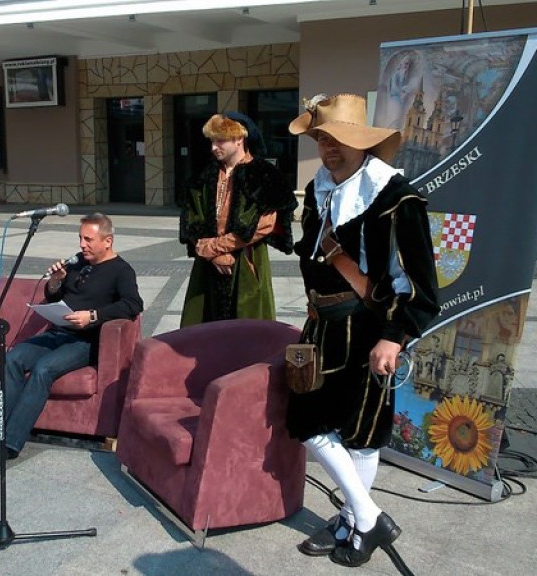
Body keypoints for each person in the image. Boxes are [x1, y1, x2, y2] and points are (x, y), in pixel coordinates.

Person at [286, 93, 439, 567]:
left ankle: (354, 523)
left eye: (337, 139)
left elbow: (421, 283)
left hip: (369, 329)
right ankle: (366, 515)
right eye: (321, 138)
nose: (327, 147)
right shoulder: (319, 186)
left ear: (360, 141)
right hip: (321, 325)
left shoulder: (396, 196)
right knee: (310, 424)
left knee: (360, 434)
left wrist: (394, 337)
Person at [0, 213, 143, 473]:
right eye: (80, 238)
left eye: (88, 239)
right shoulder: (77, 264)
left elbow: (133, 304)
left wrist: (92, 316)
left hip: (85, 340)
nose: (82, 245)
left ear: (107, 241)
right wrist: (55, 283)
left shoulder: (121, 271)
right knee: (11, 360)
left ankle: (7, 445)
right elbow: (55, 294)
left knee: (44, 369)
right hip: (57, 332)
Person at [178, 111, 296, 326]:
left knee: (248, 329)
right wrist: (212, 254)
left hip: (247, 260)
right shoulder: (203, 176)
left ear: (239, 138)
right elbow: (191, 218)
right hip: (207, 264)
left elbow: (265, 224)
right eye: (212, 141)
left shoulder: (264, 174)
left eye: (220, 140)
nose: (214, 147)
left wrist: (218, 247)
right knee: (204, 329)